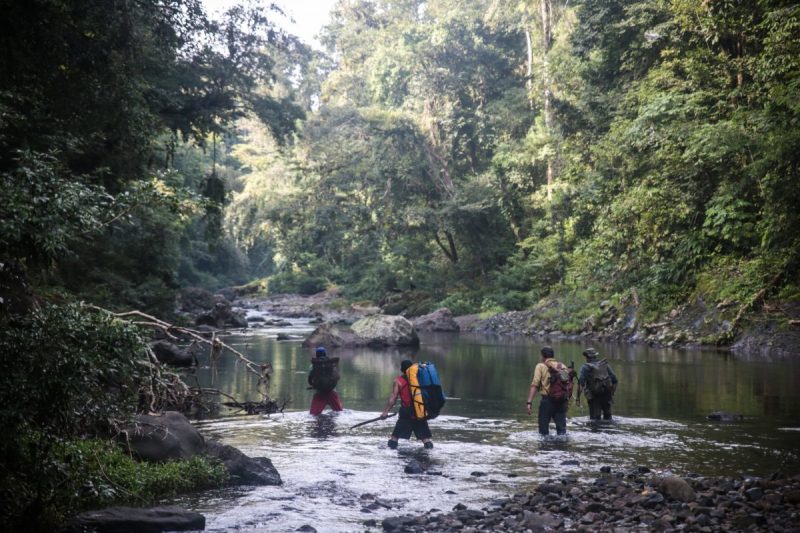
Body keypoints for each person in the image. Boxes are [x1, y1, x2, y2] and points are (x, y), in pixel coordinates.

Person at [379, 359, 433, 449]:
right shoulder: (421, 379)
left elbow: (393, 398)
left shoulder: (398, 381)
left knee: (394, 438)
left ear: (402, 370)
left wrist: (385, 412)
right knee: (426, 439)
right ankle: (429, 454)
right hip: (419, 411)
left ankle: (391, 454)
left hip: (406, 412)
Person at [526, 346, 572, 435]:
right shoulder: (562, 366)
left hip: (547, 402)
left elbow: (535, 384)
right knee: (562, 432)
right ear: (552, 355)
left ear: (543, 356)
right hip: (561, 401)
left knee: (543, 432)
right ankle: (562, 448)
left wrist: (529, 402)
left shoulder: (540, 366)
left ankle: (544, 448)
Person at [576, 348, 618, 420]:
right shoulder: (605, 365)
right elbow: (615, 380)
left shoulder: (585, 367)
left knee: (595, 420)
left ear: (587, 357)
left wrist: (578, 398)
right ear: (595, 356)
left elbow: (581, 384)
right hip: (607, 395)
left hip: (594, 397)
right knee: (608, 418)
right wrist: (612, 392)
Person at [308, 346, 343, 415]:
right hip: (332, 392)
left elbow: (309, 380)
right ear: (325, 354)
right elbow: (337, 377)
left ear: (316, 355)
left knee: (313, 414)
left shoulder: (313, 366)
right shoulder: (331, 364)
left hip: (319, 394)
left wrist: (313, 385)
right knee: (340, 412)